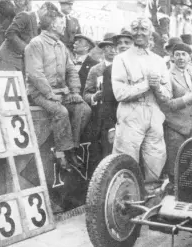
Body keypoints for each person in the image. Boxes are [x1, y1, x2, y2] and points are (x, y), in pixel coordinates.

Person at [24, 2, 91, 174]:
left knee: (83, 109)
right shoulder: (35, 44)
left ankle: (71, 149)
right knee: (61, 112)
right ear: (53, 25)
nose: (65, 27)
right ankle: (63, 153)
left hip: (61, 93)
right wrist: (49, 93)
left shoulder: (61, 46)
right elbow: (35, 74)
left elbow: (70, 70)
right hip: (39, 93)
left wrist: (75, 92)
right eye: (62, 23)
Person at [111, 17, 171, 184]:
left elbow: (168, 95)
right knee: (125, 161)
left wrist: (157, 87)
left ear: (150, 33)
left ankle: (150, 200)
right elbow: (120, 93)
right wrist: (146, 85)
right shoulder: (121, 59)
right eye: (135, 29)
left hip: (154, 113)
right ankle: (125, 198)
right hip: (131, 113)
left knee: (156, 160)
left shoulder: (159, 61)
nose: (139, 33)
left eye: (143, 29)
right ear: (131, 32)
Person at [83, 30, 133, 158]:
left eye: (114, 47)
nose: (112, 51)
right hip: (101, 114)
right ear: (103, 50)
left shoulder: (127, 66)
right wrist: (95, 96)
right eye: (108, 48)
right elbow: (86, 94)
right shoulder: (96, 70)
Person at [161, 42, 192, 185]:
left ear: (189, 57)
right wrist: (185, 99)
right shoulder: (168, 76)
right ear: (172, 57)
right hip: (174, 126)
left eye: (184, 54)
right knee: (175, 164)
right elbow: (166, 104)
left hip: (191, 125)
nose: (181, 58)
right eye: (177, 54)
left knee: (191, 162)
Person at [0, 3, 40, 73]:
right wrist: (26, 49)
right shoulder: (25, 15)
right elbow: (10, 34)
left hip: (20, 60)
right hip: (9, 58)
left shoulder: (36, 21)